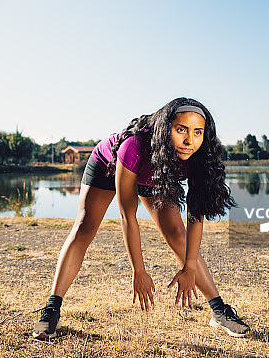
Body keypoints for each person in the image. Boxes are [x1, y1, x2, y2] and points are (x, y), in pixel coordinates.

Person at [33, 97, 250, 339]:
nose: (189, 140)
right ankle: (51, 309)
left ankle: (219, 311)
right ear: (165, 129)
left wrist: (189, 268)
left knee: (177, 234)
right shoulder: (134, 146)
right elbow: (128, 215)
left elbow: (195, 217)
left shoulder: (198, 156)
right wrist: (139, 270)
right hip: (110, 166)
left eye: (197, 132)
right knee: (84, 228)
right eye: (181, 130)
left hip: (158, 174)